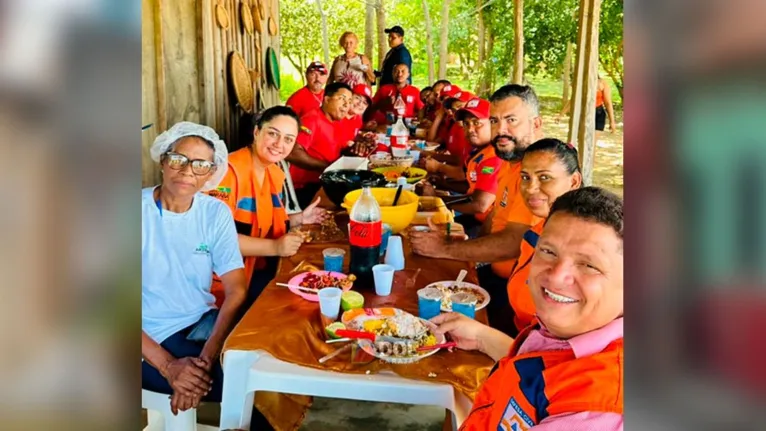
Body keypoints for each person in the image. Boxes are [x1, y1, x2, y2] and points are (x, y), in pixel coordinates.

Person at [431, 187, 624, 430]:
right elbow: (541, 374)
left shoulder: (596, 411)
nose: (556, 277)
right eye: (548, 251)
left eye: (589, 265)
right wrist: (481, 337)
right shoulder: (574, 330)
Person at [141, 122, 254, 420]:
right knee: (247, 388)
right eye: (179, 159)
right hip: (145, 339)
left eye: (200, 165)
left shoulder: (214, 213)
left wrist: (207, 356)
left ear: (210, 173)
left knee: (262, 368)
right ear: (164, 161)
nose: (187, 171)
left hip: (200, 324)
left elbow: (236, 289)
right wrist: (168, 367)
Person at [411, 84, 543, 336]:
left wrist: (447, 248)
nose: (501, 130)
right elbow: (494, 215)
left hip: (521, 303)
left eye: (511, 120)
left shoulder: (536, 173)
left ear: (536, 124)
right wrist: (470, 245)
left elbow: (516, 241)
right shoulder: (509, 160)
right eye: (495, 120)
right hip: (496, 274)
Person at [208, 107, 329, 309]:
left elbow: (261, 222)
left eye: (288, 139)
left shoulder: (273, 173)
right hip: (221, 287)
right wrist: (275, 247)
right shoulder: (227, 173)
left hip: (256, 268)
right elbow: (214, 240)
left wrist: (298, 218)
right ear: (256, 132)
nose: (279, 145)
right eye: (273, 134)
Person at [506, 138, 582, 335]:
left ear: (574, 181)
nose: (530, 188)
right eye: (525, 177)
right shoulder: (540, 228)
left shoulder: (582, 246)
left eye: (544, 177)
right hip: (515, 328)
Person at [422, 98, 503, 238]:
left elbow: (479, 204)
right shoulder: (479, 151)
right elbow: (469, 185)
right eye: (466, 124)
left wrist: (438, 201)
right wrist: (441, 184)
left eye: (477, 123)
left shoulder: (493, 157)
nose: (470, 129)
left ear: (493, 123)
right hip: (474, 218)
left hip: (488, 229)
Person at [286, 82, 353, 208]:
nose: (346, 105)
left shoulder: (337, 122)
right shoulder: (312, 119)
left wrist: (356, 149)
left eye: (349, 101)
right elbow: (292, 153)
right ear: (327, 99)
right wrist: (327, 167)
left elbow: (339, 151)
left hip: (326, 182)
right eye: (342, 99)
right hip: (306, 188)